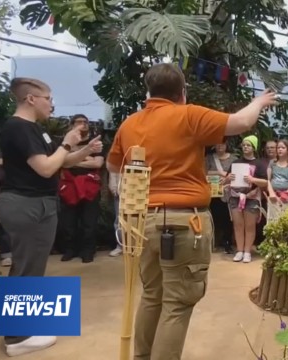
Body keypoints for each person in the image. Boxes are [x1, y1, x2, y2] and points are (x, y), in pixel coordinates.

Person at [106, 63, 277, 360]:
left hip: (143, 222)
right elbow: (240, 122)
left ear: (150, 91)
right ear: (182, 92)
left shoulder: (129, 124)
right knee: (177, 303)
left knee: (151, 296)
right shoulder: (188, 114)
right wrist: (259, 101)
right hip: (184, 221)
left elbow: (112, 165)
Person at [0, 77, 103, 357]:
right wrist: (66, 144)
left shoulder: (34, 130)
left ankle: (24, 328)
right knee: (26, 267)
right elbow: (45, 168)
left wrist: (83, 151)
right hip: (26, 205)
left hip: (36, 204)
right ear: (30, 99)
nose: (52, 104)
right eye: (48, 98)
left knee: (30, 266)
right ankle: (17, 338)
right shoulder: (18, 128)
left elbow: (60, 162)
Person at [58, 114, 104, 263]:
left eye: (86, 122)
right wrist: (85, 158)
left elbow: (97, 164)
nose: (83, 124)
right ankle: (70, 250)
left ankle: (88, 251)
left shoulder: (95, 144)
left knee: (89, 221)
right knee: (68, 222)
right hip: (68, 186)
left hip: (90, 186)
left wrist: (72, 161)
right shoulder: (65, 143)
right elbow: (61, 162)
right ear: (72, 125)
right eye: (79, 122)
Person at [226, 135, 268, 263]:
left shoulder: (260, 164)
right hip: (236, 197)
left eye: (248, 145)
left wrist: (253, 180)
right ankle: (239, 250)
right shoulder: (236, 163)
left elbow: (265, 182)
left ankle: (248, 251)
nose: (245, 147)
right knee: (238, 225)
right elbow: (226, 180)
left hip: (252, 197)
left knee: (250, 226)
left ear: (254, 147)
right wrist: (229, 178)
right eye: (244, 145)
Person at [205, 140, 237, 254]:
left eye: (222, 144)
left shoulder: (233, 159)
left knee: (228, 219)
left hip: (228, 192)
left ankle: (227, 242)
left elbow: (236, 175)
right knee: (213, 217)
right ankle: (212, 242)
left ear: (226, 145)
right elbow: (204, 172)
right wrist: (219, 173)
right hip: (213, 192)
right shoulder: (208, 158)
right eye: (217, 144)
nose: (220, 146)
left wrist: (227, 177)